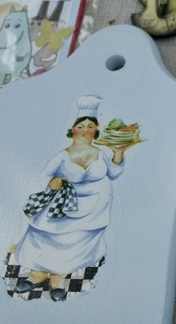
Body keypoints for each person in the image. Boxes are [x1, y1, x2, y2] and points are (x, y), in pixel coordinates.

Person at [11, 95, 132, 302]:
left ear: (96, 131)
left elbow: (113, 173)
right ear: (72, 130)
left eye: (90, 127)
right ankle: (37, 275)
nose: (85, 131)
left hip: (94, 207)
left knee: (75, 242)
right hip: (63, 205)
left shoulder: (100, 154)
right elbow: (44, 175)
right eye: (81, 127)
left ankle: (58, 278)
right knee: (48, 237)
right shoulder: (63, 155)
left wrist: (118, 154)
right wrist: (52, 181)